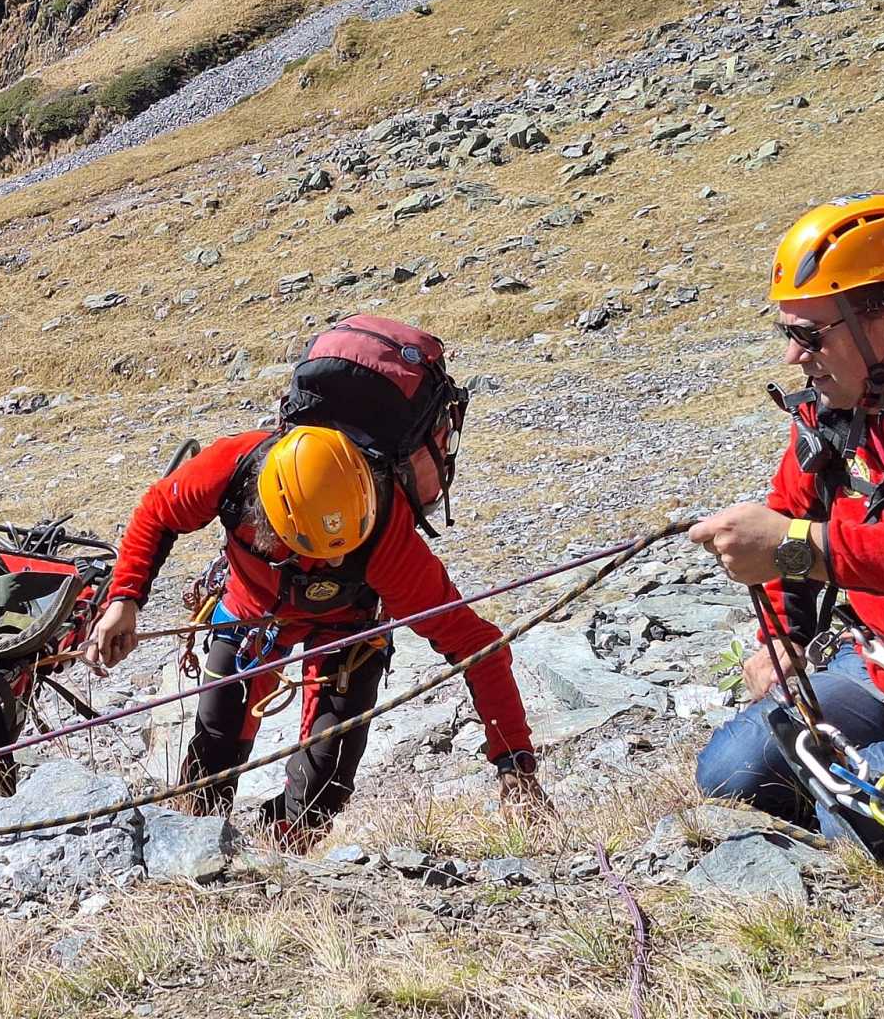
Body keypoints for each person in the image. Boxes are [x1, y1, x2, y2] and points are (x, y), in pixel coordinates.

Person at [85, 323, 546, 846]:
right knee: (212, 756)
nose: (322, 563)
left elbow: (475, 644)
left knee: (322, 791)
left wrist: (515, 765)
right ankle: (197, 850)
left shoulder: (388, 539)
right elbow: (158, 512)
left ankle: (281, 861)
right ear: (265, 517)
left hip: (349, 631)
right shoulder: (231, 468)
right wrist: (124, 600)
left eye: (338, 554)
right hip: (250, 614)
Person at [692, 192, 884, 857]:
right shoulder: (833, 415)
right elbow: (786, 519)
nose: (794, 358)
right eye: (788, 334)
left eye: (810, 335)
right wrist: (782, 639)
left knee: (856, 822)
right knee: (728, 774)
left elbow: (793, 542)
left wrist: (805, 550)